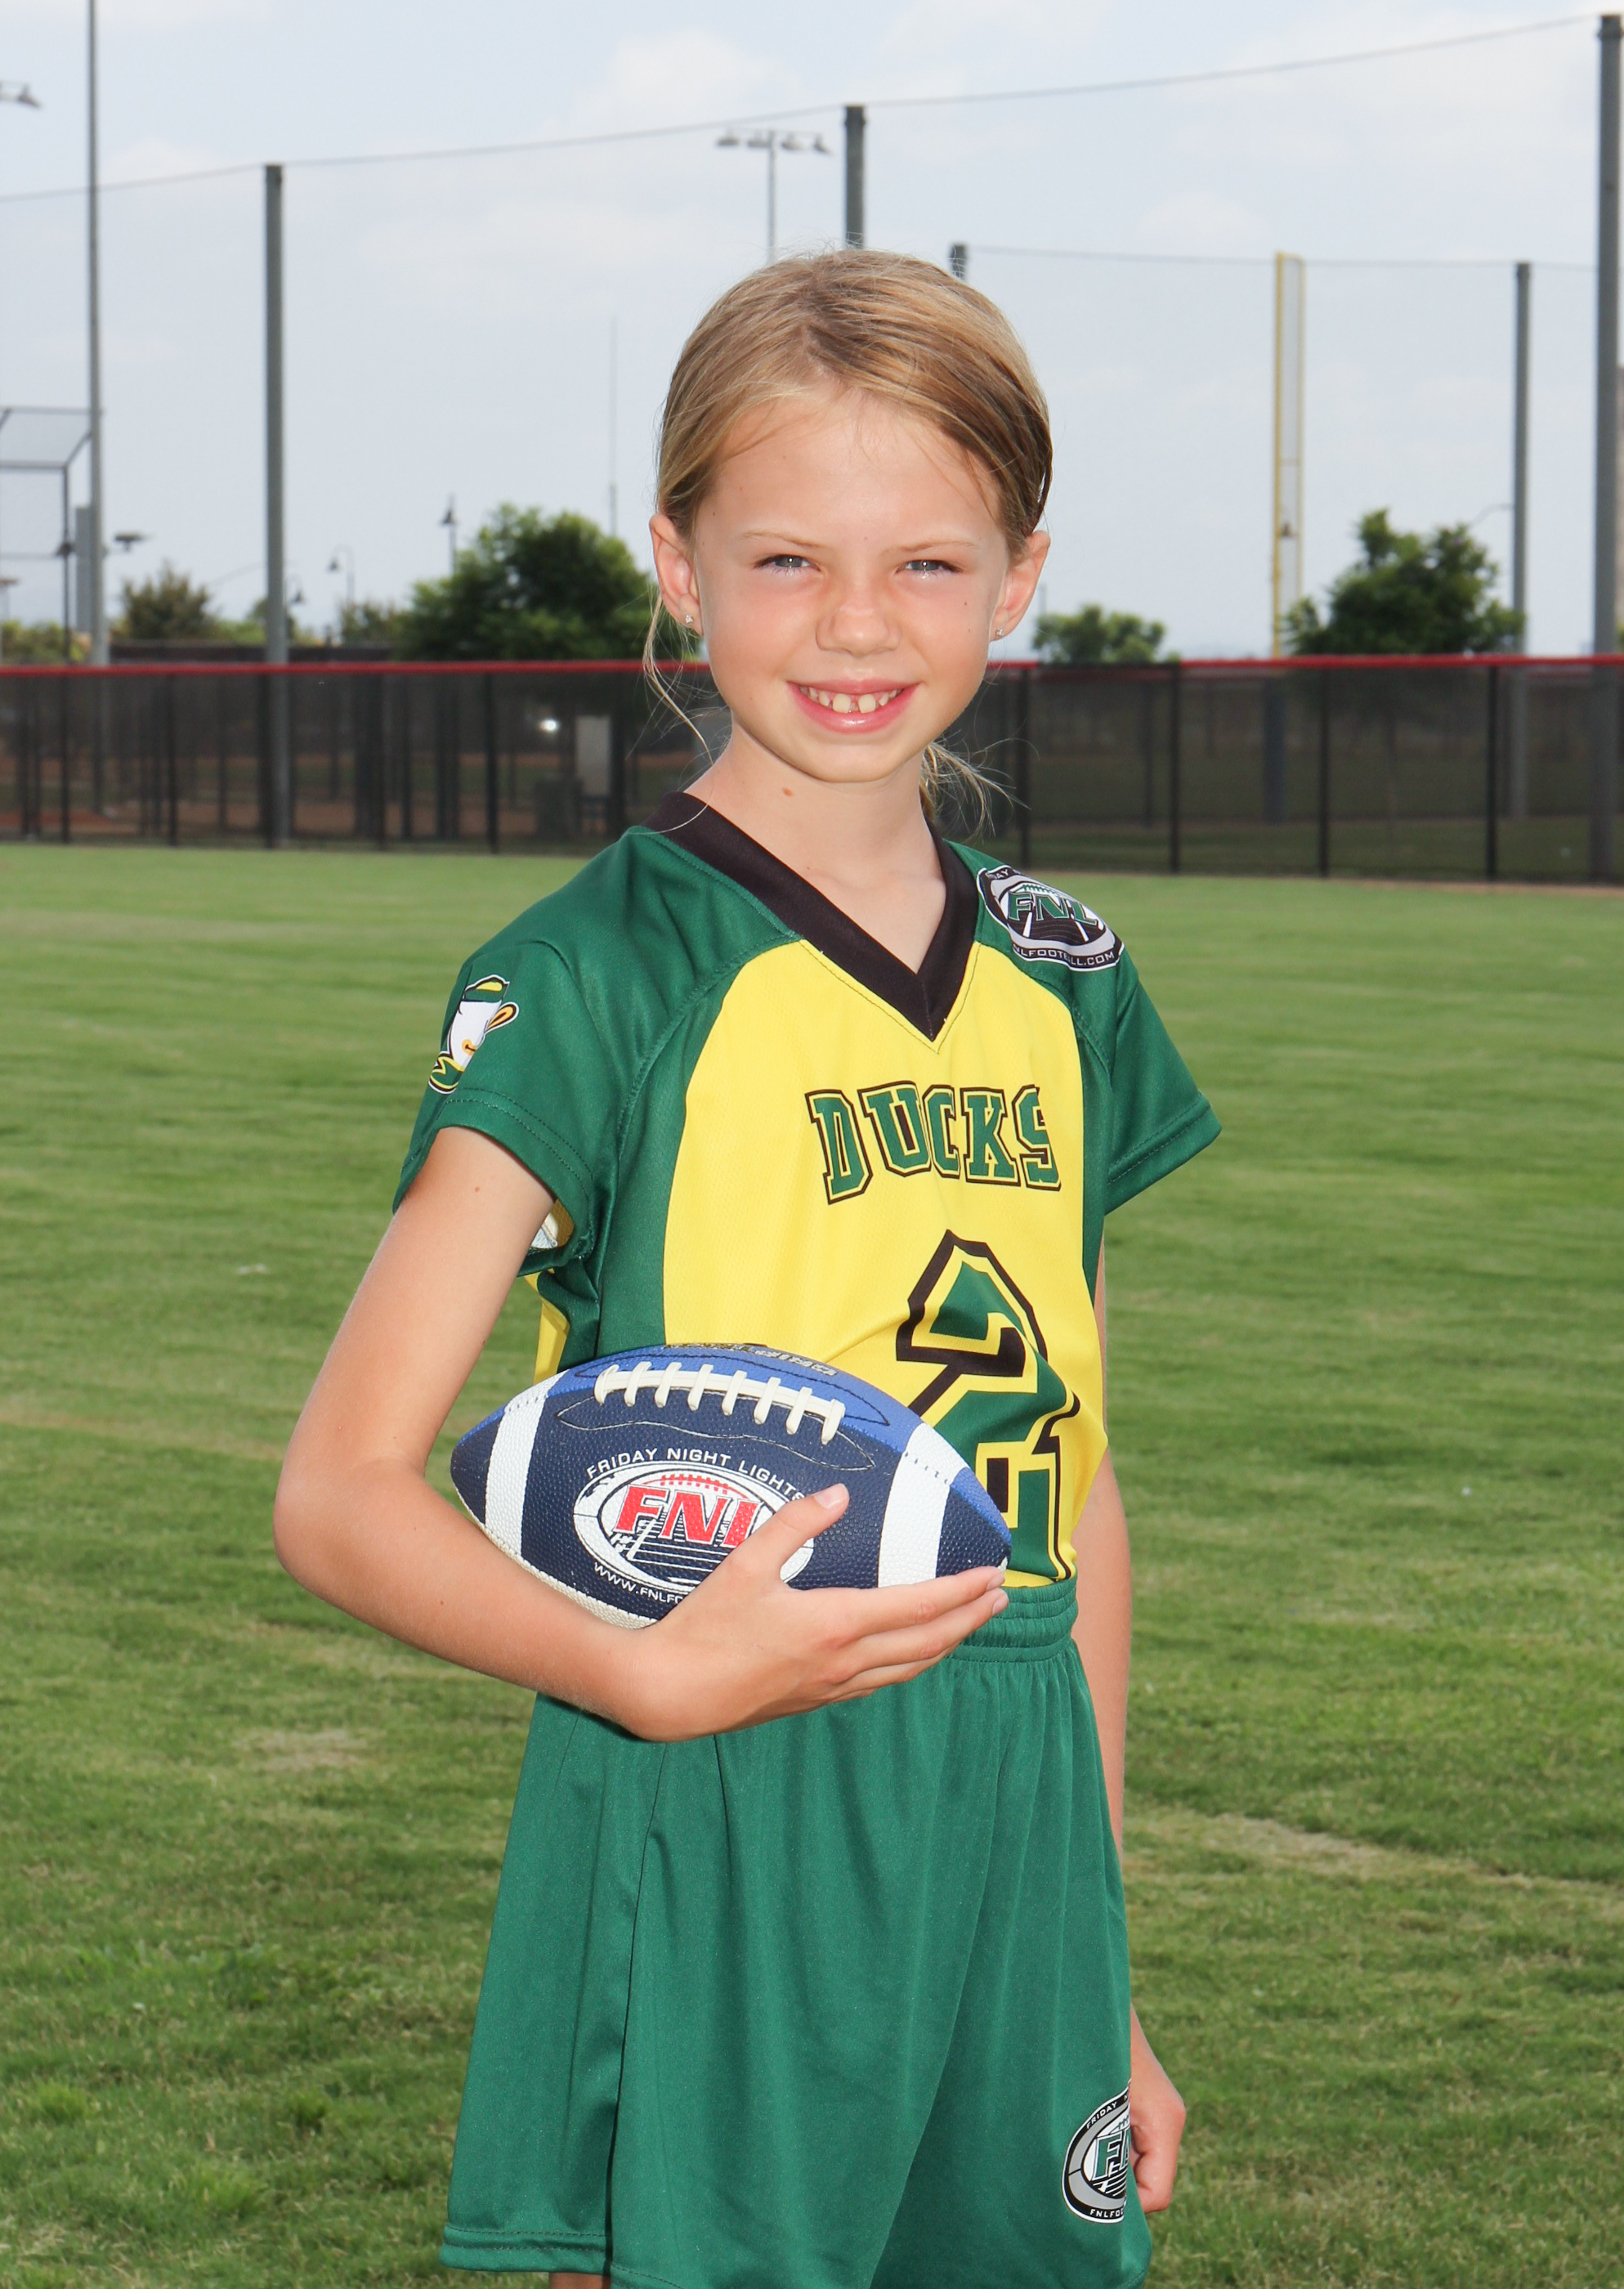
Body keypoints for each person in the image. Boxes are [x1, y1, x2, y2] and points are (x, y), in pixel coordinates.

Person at [275, 249, 1219, 2289]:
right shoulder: (599, 973)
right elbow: (338, 1488)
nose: (857, 624)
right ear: (677, 565)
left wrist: (1098, 1950)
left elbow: (1078, 1487)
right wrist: (646, 1669)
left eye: (927, 563)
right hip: (721, 1783)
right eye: (786, 558)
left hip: (1012, 1812)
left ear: (1021, 575)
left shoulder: (1066, 977)